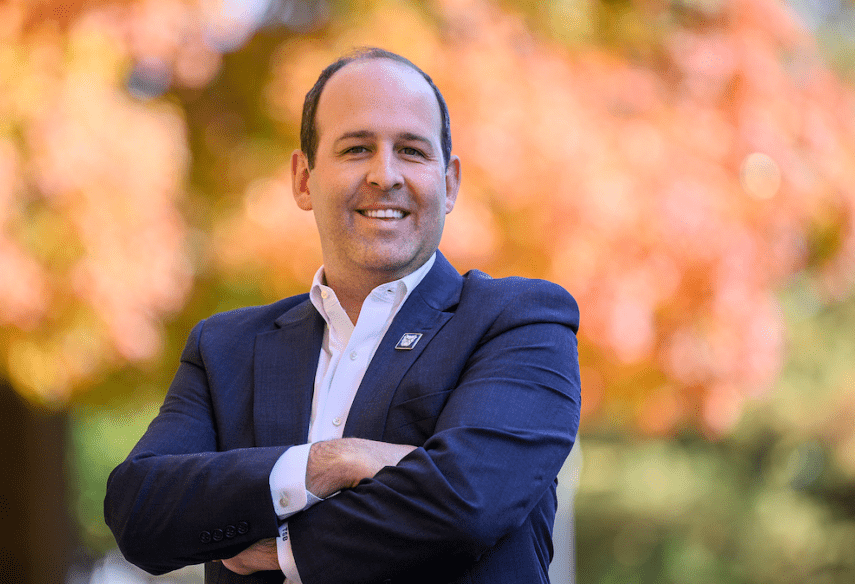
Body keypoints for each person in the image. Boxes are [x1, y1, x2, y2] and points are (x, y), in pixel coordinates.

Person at [104, 47, 581, 584]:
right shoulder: (224, 349)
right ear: (304, 179)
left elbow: (470, 498)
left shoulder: (520, 323)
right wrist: (328, 463)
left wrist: (283, 549)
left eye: (411, 151)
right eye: (356, 149)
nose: (385, 175)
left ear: (449, 183)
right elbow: (139, 509)